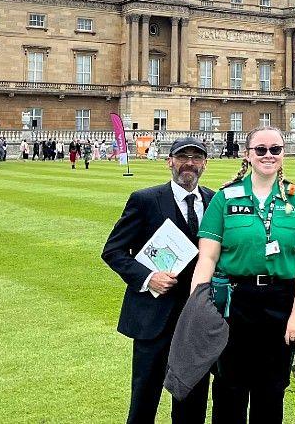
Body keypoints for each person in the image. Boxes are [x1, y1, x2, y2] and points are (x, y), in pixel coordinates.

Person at [191, 126, 295, 423]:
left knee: (271, 392)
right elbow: (207, 257)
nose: (268, 155)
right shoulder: (225, 198)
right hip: (234, 302)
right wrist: (197, 307)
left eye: (275, 149)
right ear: (248, 155)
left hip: (280, 301)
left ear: (283, 153)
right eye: (260, 149)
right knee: (229, 389)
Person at [102, 137, 215, 424]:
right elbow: (113, 250)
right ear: (169, 162)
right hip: (153, 317)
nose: (189, 163)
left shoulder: (214, 201)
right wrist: (148, 277)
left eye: (196, 157)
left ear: (204, 164)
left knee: (192, 399)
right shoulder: (145, 200)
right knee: (144, 399)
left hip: (195, 318)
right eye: (182, 157)